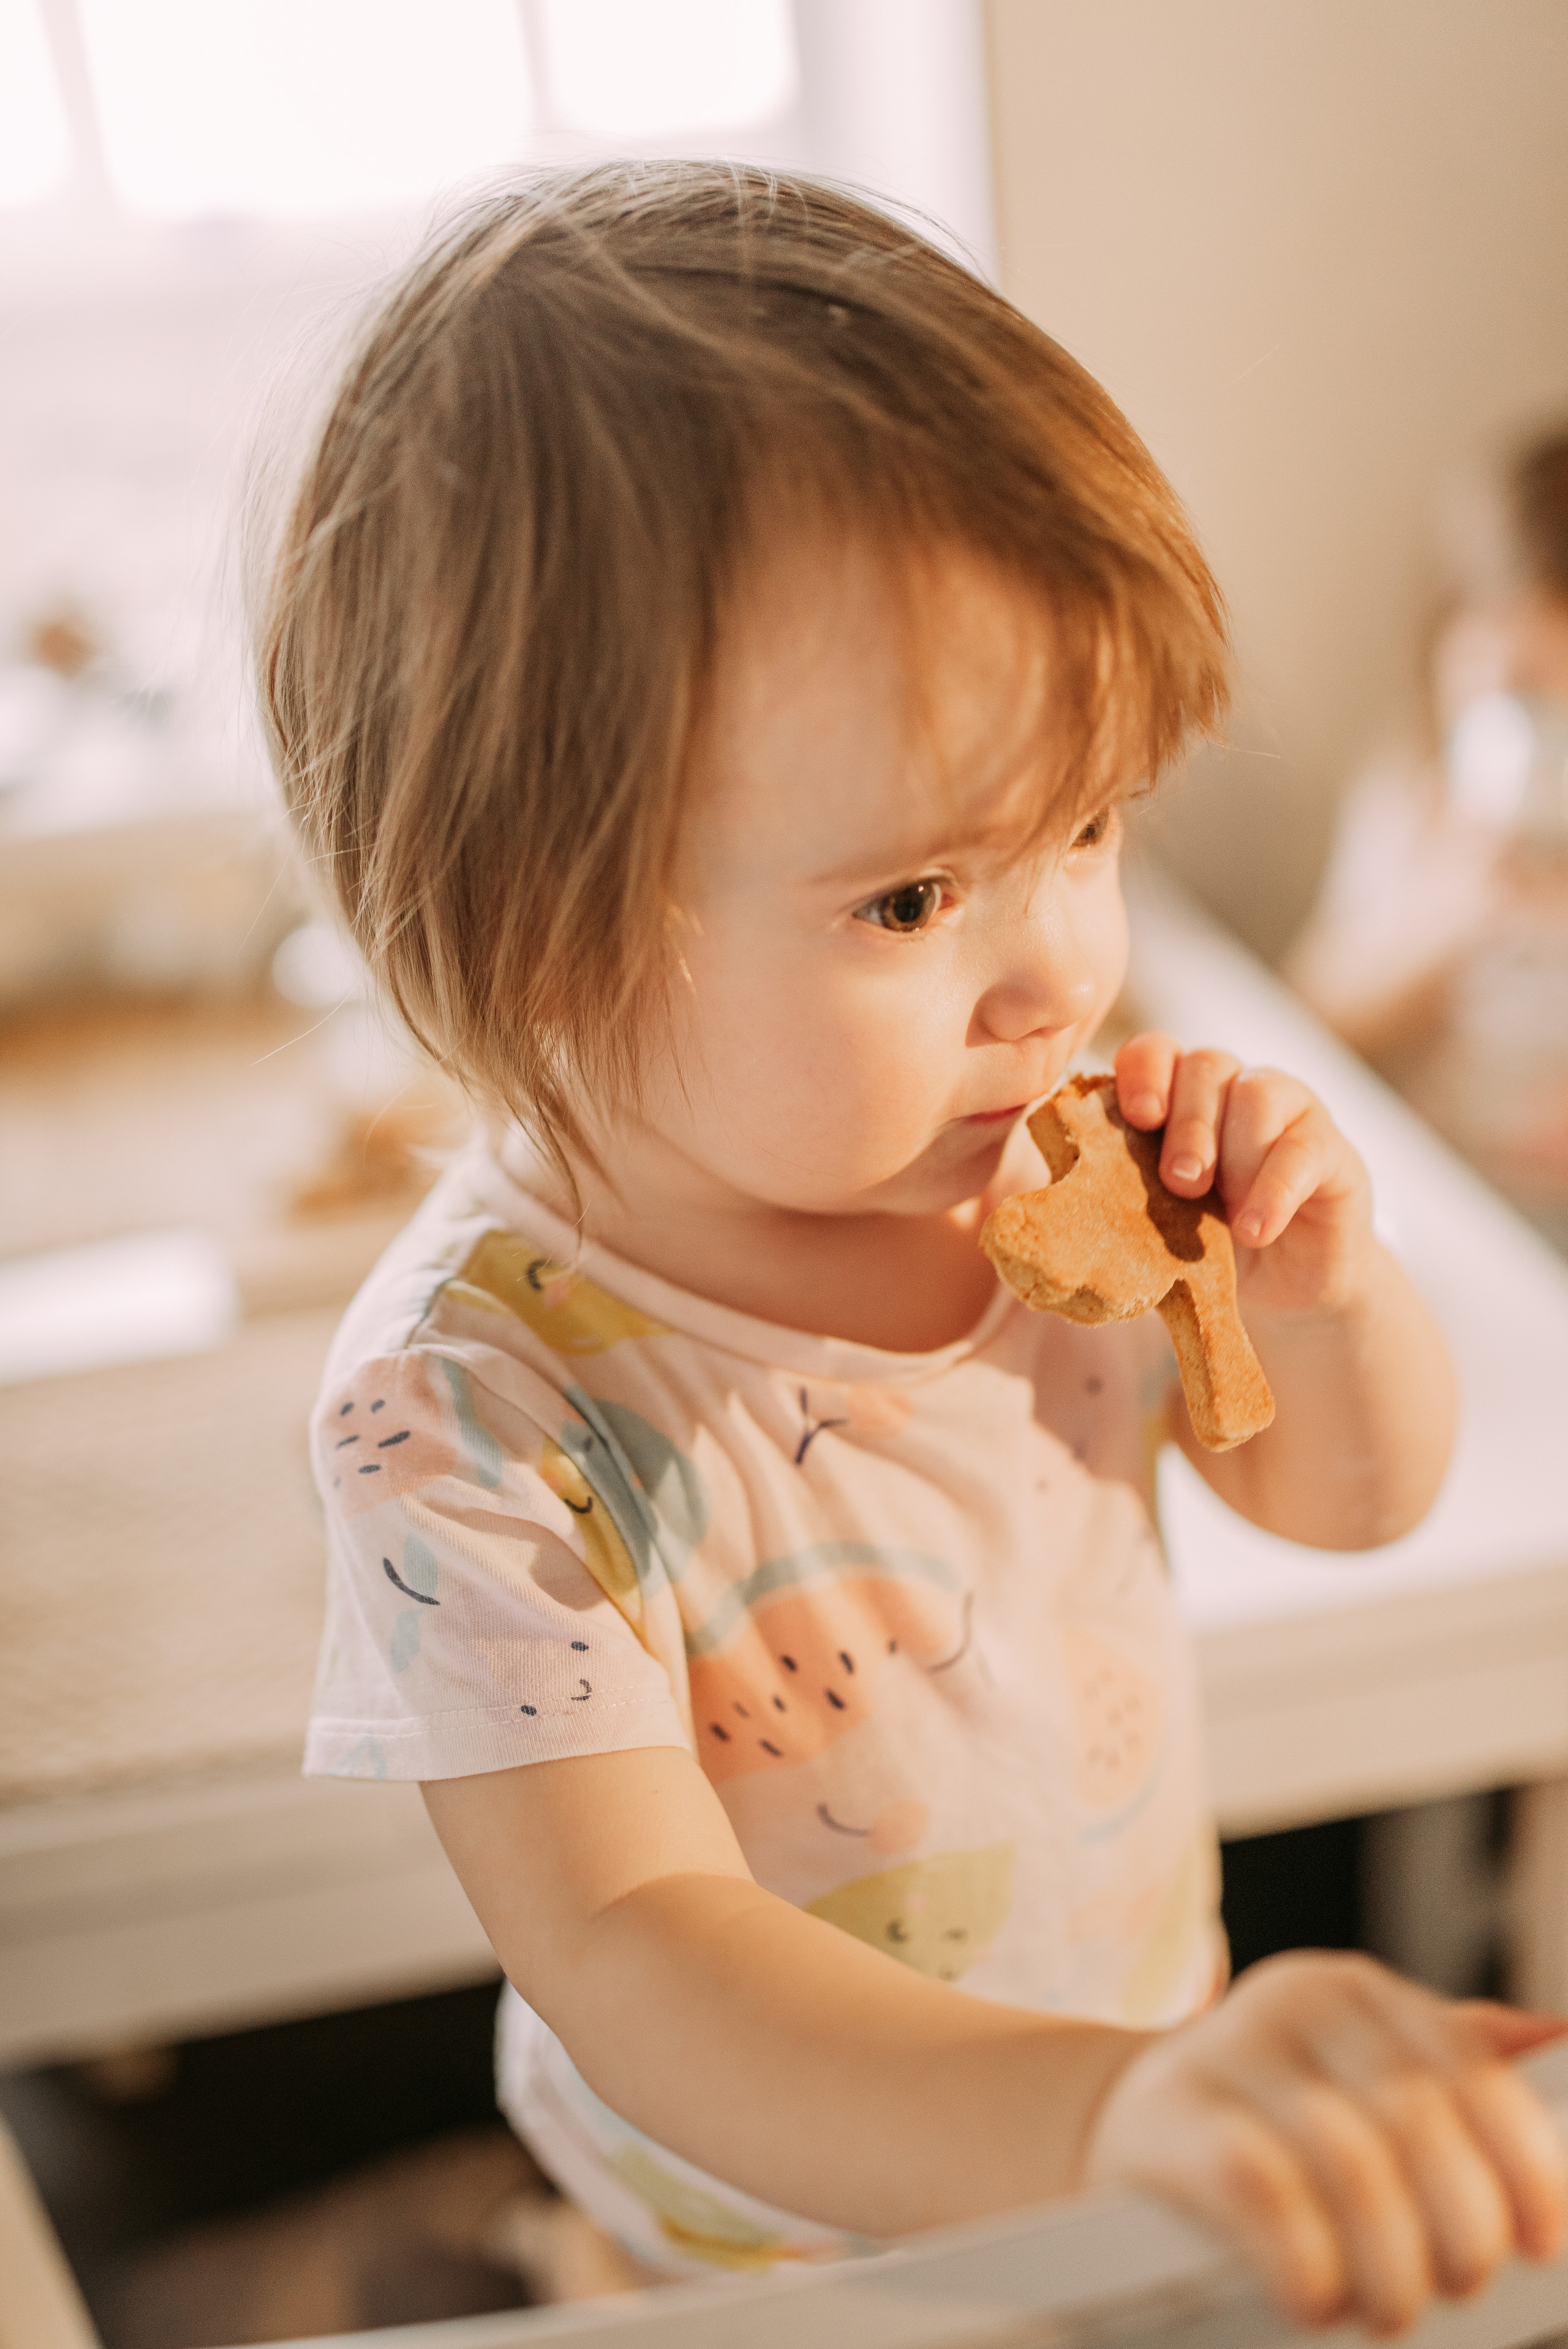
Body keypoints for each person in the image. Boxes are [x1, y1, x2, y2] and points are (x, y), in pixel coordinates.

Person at [251, 165, 1566, 2332]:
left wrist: (1331, 1295)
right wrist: (1096, 2117)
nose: (1057, 972)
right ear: (537, 937)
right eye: (909, 901)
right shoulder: (468, 1408)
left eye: (1084, 827)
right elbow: (646, 1961)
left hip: (1160, 2108)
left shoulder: (1055, 1163)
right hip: (781, 2269)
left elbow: (1342, 1495)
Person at [1286, 429, 1568, 1249]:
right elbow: (1311, 1014)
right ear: (1444, 652)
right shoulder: (1411, 811)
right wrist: (1446, 926)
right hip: (1430, 1197)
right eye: (1522, 700)